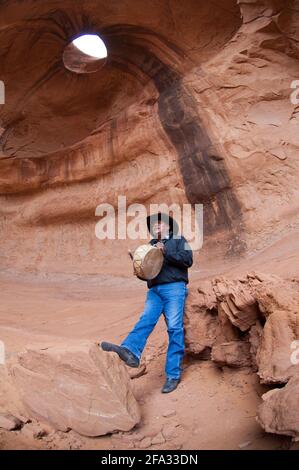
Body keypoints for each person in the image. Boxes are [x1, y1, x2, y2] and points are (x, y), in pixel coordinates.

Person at [100, 212, 193, 393]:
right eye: (154, 225)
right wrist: (138, 266)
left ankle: (173, 375)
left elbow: (188, 260)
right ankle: (131, 352)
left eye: (159, 224)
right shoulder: (150, 245)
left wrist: (165, 251)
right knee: (145, 321)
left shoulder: (178, 239)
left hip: (174, 287)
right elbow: (148, 273)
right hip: (155, 290)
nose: (156, 226)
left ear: (168, 226)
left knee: (174, 328)